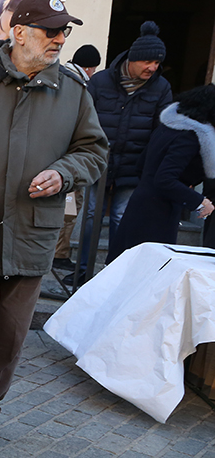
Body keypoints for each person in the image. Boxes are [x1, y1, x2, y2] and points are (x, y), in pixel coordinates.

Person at [0, 0, 108, 452]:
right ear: (19, 32)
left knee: (10, 334)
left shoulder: (71, 90)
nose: (59, 39)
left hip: (32, 233)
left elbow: (94, 152)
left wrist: (64, 173)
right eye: (51, 30)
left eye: (64, 31)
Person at [74, 21, 173, 281]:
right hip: (98, 160)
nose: (152, 68)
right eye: (148, 62)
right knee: (91, 215)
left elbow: (161, 128)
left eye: (157, 63)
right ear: (133, 59)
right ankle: (82, 272)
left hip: (134, 164)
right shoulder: (102, 80)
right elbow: (83, 117)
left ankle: (113, 276)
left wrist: (149, 165)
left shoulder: (161, 87)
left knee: (121, 217)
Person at [107, 84, 215, 261]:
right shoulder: (190, 136)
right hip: (158, 214)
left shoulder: (168, 128)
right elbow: (165, 179)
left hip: (142, 203)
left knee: (125, 266)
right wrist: (200, 201)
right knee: (146, 270)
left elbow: (141, 165)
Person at [54, 44, 103, 271]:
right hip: (70, 162)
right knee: (69, 211)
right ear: (90, 68)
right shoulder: (80, 86)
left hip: (59, 160)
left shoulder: (60, 78)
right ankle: (60, 254)